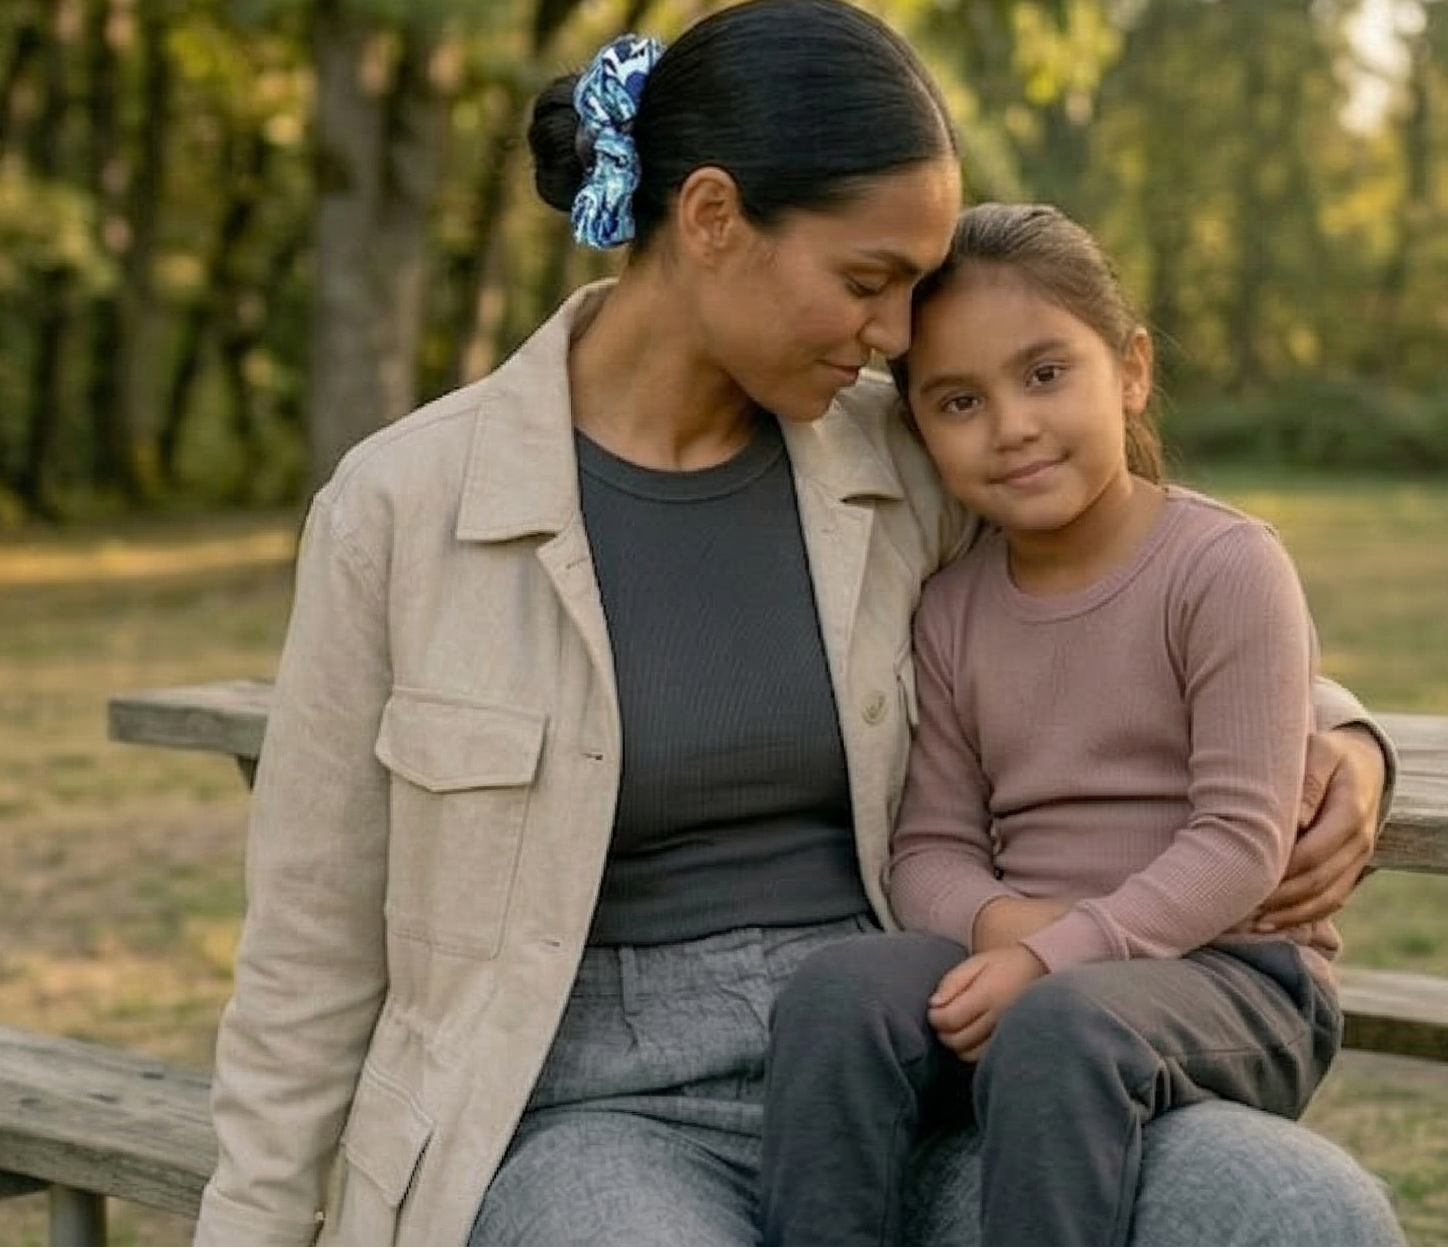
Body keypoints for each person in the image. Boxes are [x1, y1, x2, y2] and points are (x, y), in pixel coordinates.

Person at [190, 4, 1401, 1246]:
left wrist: (1349, 742)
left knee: (1294, 1213)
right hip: (606, 1112)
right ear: (711, 219)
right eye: (866, 282)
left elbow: (1137, 591)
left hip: (925, 1057)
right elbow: (310, 948)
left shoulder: (910, 446)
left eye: (912, 293)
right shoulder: (405, 509)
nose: (893, 335)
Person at [758, 201, 1362, 1248]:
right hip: (1036, 961)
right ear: (918, 430)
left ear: (1127, 371)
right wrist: (1004, 932)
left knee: (1059, 1029)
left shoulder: (1222, 569)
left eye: (1044, 374)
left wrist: (1055, 958)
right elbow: (930, 848)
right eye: (957, 401)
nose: (1012, 426)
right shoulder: (952, 608)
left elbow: (1236, 845)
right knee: (838, 993)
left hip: (1233, 976)